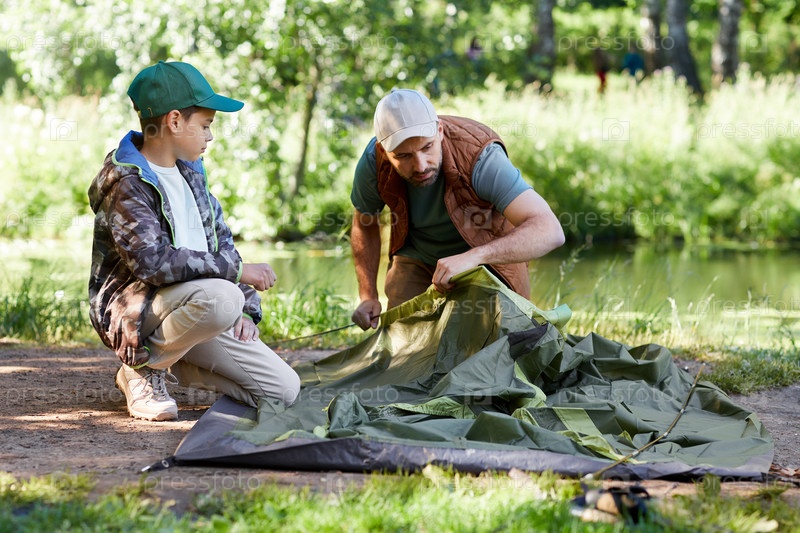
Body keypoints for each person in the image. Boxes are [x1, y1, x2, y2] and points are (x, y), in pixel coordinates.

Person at [88, 61, 300, 421]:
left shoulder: (192, 173)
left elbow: (221, 244)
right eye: (205, 125)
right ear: (174, 121)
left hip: (198, 310)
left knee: (284, 391)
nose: (210, 136)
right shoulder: (128, 183)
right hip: (140, 314)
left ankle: (175, 360)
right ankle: (140, 370)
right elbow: (152, 263)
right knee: (222, 298)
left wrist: (246, 308)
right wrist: (239, 274)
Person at [349, 89, 565, 330]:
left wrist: (474, 257)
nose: (420, 165)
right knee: (402, 341)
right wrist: (368, 295)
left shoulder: (479, 156)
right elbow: (365, 224)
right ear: (383, 151)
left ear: (439, 131)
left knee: (498, 343)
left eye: (427, 147)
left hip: (487, 260)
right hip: (417, 256)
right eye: (404, 156)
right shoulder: (374, 161)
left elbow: (550, 230)